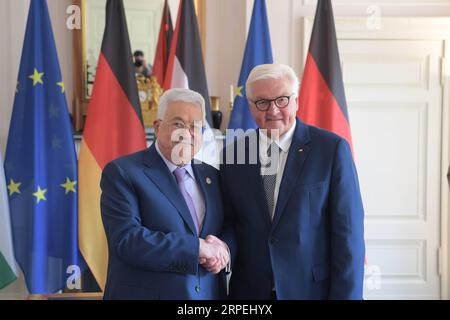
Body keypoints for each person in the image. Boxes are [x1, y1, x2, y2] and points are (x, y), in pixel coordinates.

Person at [220, 63, 365, 300]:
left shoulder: (330, 149)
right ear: (250, 106)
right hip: (250, 292)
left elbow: (348, 235)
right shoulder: (233, 155)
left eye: (282, 100)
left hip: (312, 291)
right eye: (262, 102)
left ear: (296, 101)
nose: (273, 110)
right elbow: (230, 224)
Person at [101, 88, 230, 300]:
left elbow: (231, 226)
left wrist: (223, 248)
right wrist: (197, 248)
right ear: (158, 126)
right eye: (178, 124)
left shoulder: (213, 176)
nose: (187, 134)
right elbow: (127, 240)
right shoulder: (123, 172)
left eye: (195, 127)